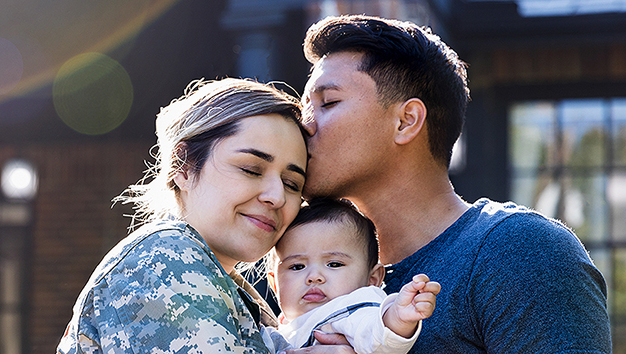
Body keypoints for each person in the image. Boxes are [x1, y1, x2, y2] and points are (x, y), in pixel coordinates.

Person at [291, 14, 611, 353]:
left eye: (327, 103)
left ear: (406, 121)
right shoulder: (294, 272)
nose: (304, 125)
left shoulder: (521, 253)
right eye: (304, 107)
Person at [56, 78, 309, 353]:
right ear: (184, 166)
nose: (277, 196)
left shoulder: (230, 286)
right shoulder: (163, 259)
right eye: (251, 169)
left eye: (292, 184)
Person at [264, 198, 440, 354]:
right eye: (297, 266)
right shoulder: (276, 329)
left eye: (334, 264)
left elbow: (372, 333)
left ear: (372, 280)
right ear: (274, 283)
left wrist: (397, 317)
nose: (314, 277)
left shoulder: (348, 309)